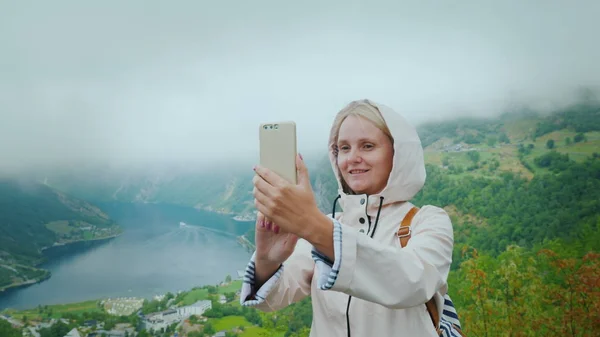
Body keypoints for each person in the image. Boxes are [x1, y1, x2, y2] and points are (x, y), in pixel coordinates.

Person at [241, 99, 463, 336]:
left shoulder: (428, 220)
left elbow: (412, 283)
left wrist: (312, 224)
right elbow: (271, 300)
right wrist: (266, 259)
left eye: (367, 146)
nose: (352, 158)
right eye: (344, 148)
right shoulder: (329, 223)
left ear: (398, 154)